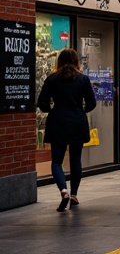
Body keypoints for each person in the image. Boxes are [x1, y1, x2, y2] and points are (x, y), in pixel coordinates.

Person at [36, 49, 97, 211]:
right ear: (76, 61)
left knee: (56, 161)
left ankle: (64, 191)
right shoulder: (83, 79)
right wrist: (80, 110)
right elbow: (92, 103)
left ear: (59, 62)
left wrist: (52, 110)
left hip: (58, 121)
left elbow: (42, 102)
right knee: (75, 160)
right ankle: (75, 194)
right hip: (77, 121)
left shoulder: (52, 79)